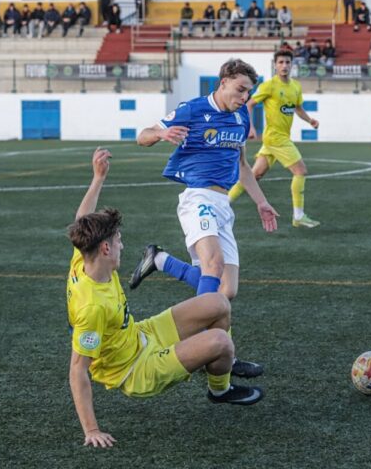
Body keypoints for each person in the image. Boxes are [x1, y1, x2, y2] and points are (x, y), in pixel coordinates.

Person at [67, 150, 264, 449]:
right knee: (221, 342)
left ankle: (219, 390)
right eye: (118, 240)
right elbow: (79, 369)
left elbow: (82, 220)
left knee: (219, 302)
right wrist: (91, 429)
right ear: (105, 249)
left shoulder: (84, 258)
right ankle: (213, 371)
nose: (123, 244)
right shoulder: (93, 307)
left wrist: (98, 179)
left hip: (139, 334)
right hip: (136, 369)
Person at [131, 59, 279, 379]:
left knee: (226, 290)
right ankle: (203, 347)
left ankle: (160, 260)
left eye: (248, 92)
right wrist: (161, 132)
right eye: (240, 89)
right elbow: (141, 136)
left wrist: (261, 202)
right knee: (212, 266)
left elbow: (242, 165)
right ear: (223, 82)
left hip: (223, 204)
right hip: (197, 197)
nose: (244, 97)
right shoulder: (193, 109)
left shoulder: (240, 117)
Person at [228, 49, 320, 228]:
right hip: (276, 138)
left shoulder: (295, 87)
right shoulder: (269, 85)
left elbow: (298, 108)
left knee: (254, 175)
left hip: (279, 138)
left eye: (287, 62)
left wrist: (310, 120)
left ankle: (224, 203)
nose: (284, 66)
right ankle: (298, 216)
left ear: (292, 65)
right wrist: (251, 127)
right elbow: (249, 105)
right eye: (281, 62)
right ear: (275, 65)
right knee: (300, 171)